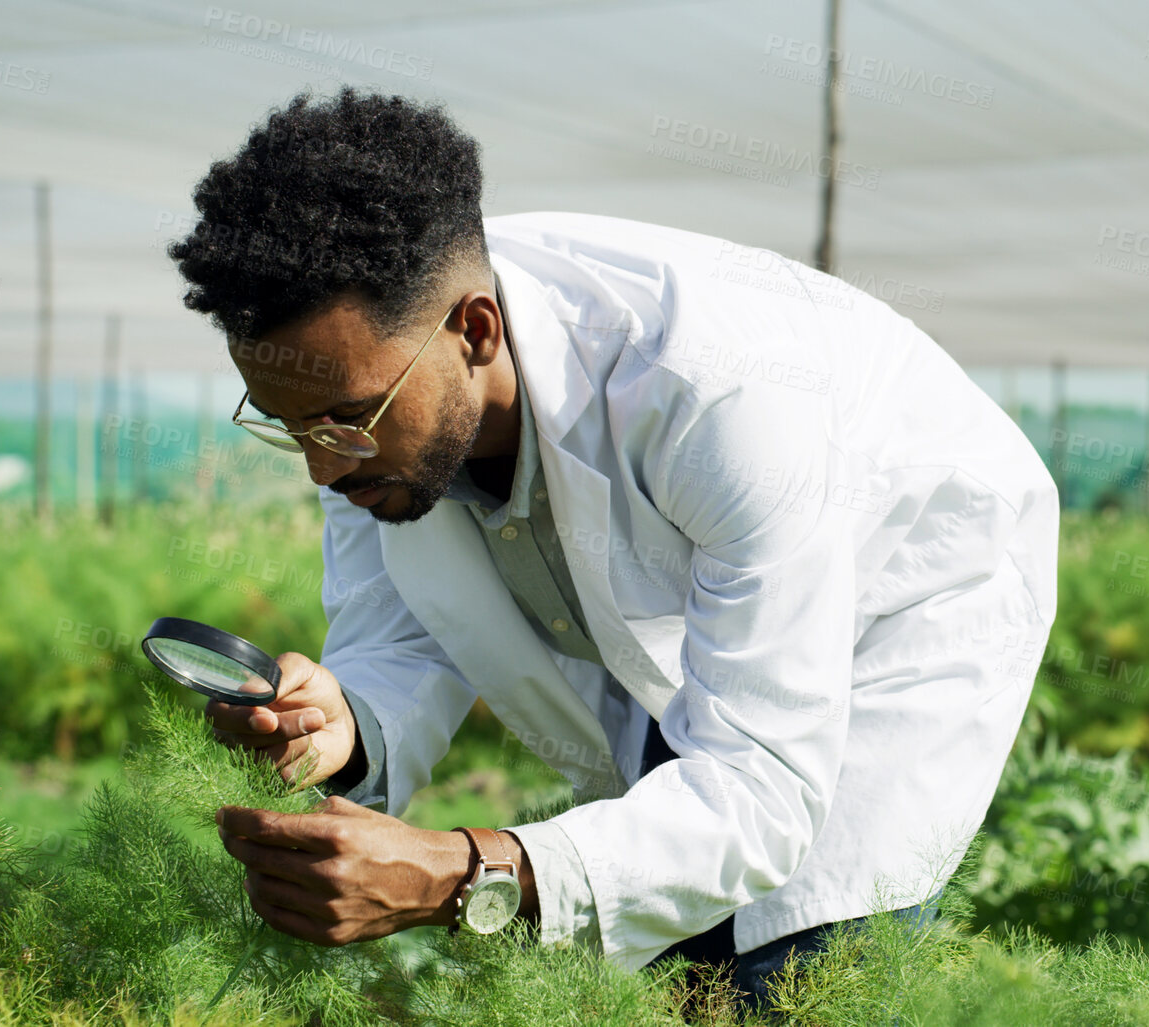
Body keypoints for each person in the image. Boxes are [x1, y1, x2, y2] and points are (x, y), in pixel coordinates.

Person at [175, 87, 1057, 1012]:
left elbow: (759, 791)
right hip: (694, 597)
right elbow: (404, 634)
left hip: (909, 581)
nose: (320, 466)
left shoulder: (710, 392)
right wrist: (345, 725)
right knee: (676, 952)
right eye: (287, 427)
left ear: (475, 332)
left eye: (347, 422)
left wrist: (459, 872)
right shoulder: (375, 383)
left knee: (792, 970)